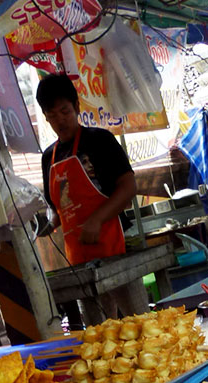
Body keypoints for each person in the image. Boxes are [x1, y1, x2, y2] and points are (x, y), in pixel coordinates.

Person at [37, 73, 136, 266]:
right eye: (52, 116)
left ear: (76, 106)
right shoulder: (49, 157)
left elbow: (128, 187)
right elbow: (58, 211)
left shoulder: (99, 140)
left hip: (112, 249)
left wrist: (97, 220)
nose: (60, 121)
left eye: (65, 112)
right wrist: (45, 225)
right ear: (46, 118)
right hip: (76, 257)